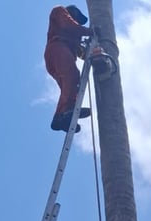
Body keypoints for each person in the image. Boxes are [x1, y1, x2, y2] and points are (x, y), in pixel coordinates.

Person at [45, 5, 93, 133]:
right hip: (58, 47)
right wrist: (90, 32)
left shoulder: (74, 35)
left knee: (70, 84)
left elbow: (80, 51)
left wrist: (91, 51)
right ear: (72, 12)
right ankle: (64, 113)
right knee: (72, 76)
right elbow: (69, 25)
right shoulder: (59, 11)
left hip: (60, 53)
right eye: (77, 18)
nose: (77, 22)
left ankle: (63, 118)